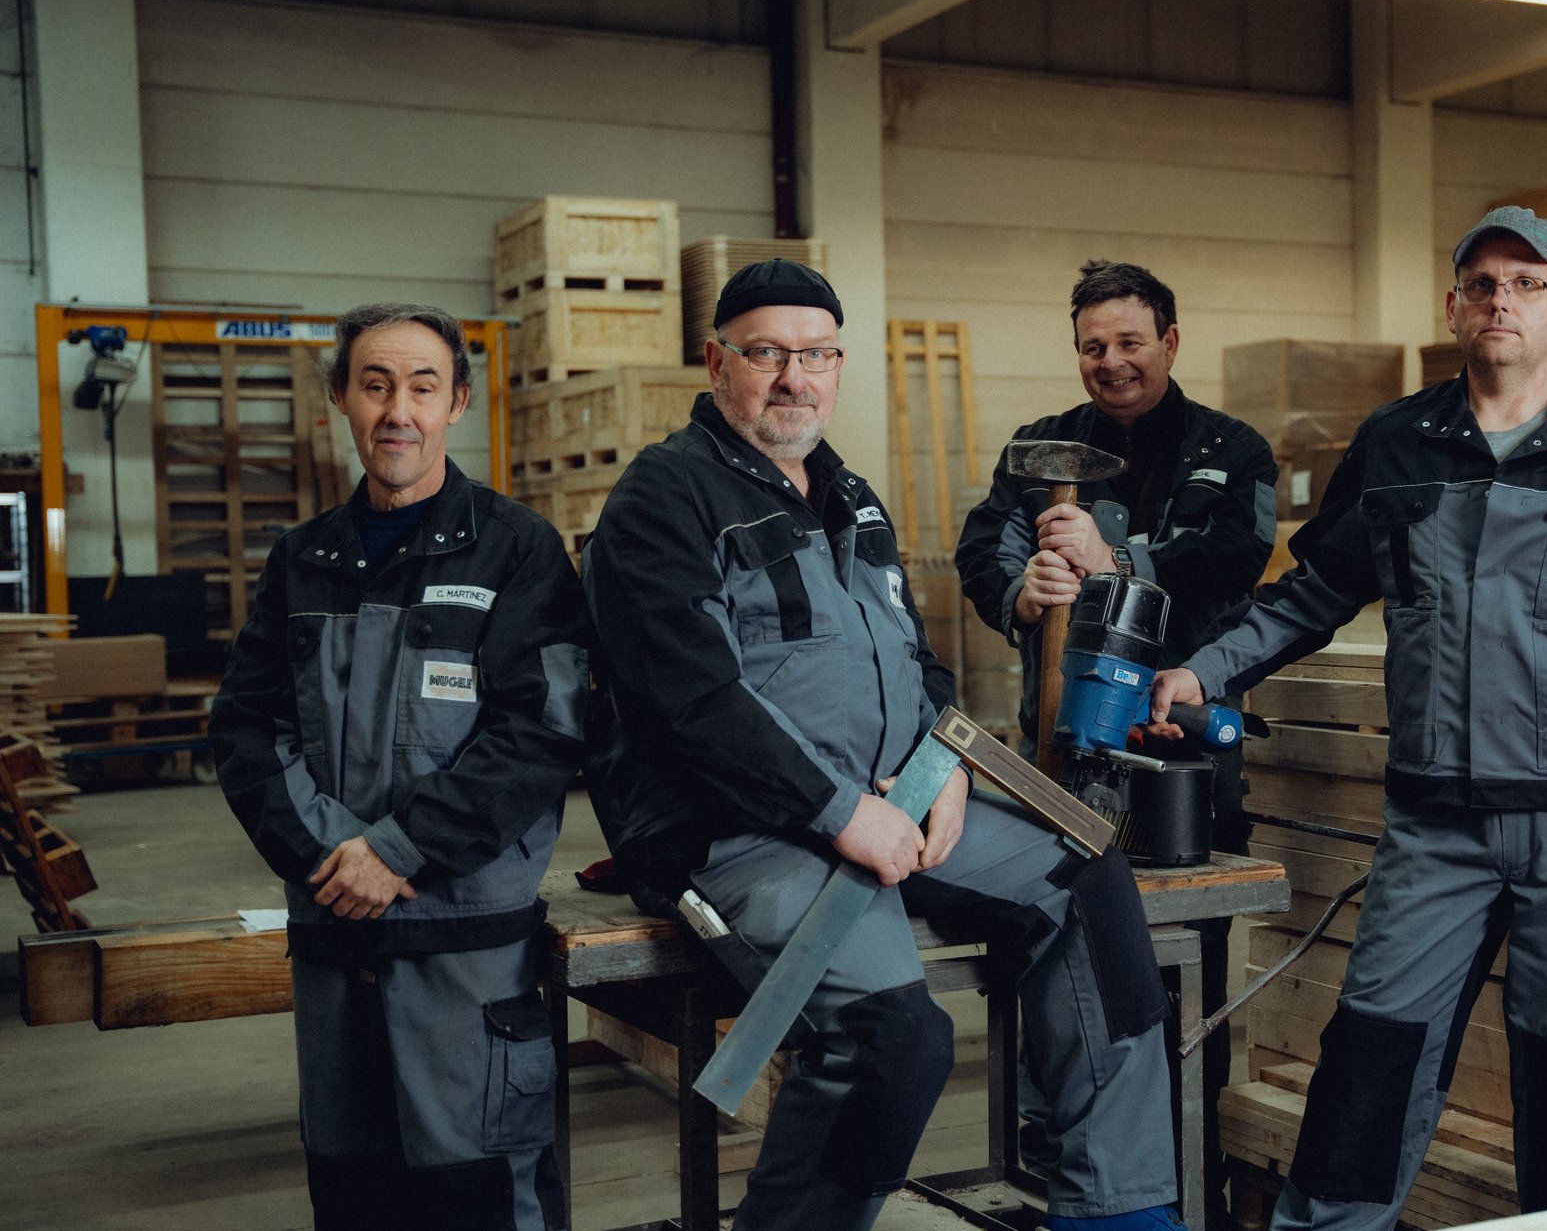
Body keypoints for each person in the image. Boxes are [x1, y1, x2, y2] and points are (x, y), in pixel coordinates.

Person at [1150, 207, 1547, 1229]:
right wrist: (1206, 671)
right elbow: (1311, 592)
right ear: (1455, 306)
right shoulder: (1397, 444)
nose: (1502, 299)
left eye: (1528, 281)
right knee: (1369, 1063)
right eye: (1482, 283)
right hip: (1438, 827)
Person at [583, 259, 1183, 1231]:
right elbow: (689, 701)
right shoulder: (665, 498)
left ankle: (1118, 1212)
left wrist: (946, 773)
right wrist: (840, 813)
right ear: (718, 363)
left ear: (838, 364)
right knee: (891, 1041)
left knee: (1088, 880)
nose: (795, 378)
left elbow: (918, 663)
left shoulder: (849, 494)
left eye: (816, 355)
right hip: (740, 831)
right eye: (767, 354)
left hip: (892, 803)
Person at [210, 303, 590, 1231]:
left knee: (479, 1198)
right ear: (340, 398)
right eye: (375, 385)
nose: (398, 411)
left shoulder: (516, 549)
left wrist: (400, 850)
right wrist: (335, 857)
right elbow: (247, 728)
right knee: (352, 1199)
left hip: (462, 947)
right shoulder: (301, 561)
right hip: (336, 942)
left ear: (457, 402)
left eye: (423, 387)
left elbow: (541, 729)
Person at [955, 260, 1277, 853]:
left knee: (1197, 889)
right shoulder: (1040, 448)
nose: (1111, 362)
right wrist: (1024, 596)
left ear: (1169, 343)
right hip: (1061, 733)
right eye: (1093, 347)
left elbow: (1235, 559)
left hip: (1188, 733)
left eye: (1130, 343)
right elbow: (980, 553)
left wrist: (1116, 564)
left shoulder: (1234, 451)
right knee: (1055, 887)